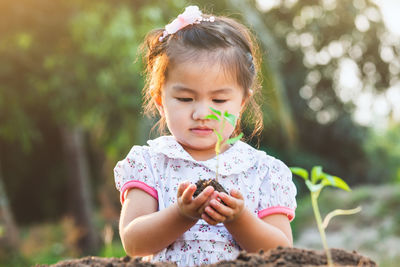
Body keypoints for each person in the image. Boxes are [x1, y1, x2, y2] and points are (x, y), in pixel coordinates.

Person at [114, 5, 297, 266]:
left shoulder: (263, 171)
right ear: (160, 101)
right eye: (185, 98)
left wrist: (239, 218)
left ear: (242, 103)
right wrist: (181, 214)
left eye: (219, 99)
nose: (202, 113)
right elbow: (133, 242)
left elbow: (281, 252)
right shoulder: (150, 163)